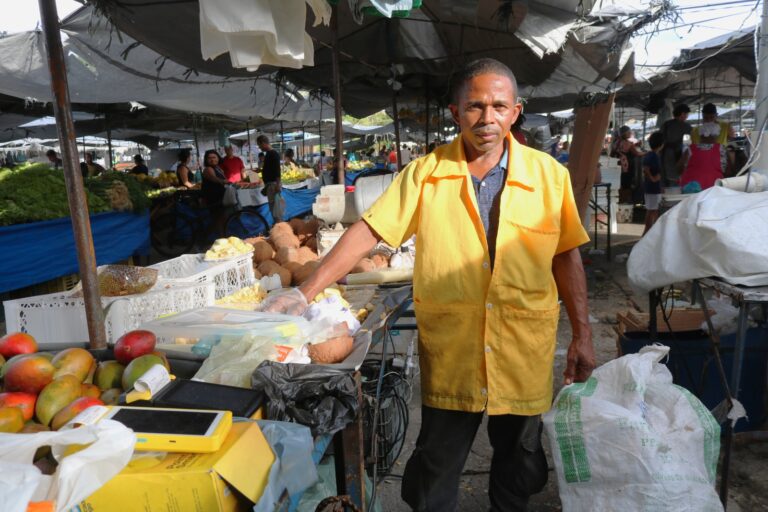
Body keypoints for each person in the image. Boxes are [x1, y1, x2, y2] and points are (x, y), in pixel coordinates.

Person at [262, 58, 594, 512]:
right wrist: (305, 290)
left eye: (499, 106)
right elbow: (369, 230)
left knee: (518, 465)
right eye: (475, 106)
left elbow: (566, 254)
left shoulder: (549, 176)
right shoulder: (426, 172)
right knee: (435, 470)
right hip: (454, 351)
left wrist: (583, 334)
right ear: (456, 114)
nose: (487, 118)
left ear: (516, 111)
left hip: (523, 347)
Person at [679, 122, 725, 192]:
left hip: (691, 188)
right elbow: (724, 168)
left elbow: (680, 167)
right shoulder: (720, 148)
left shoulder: (689, 148)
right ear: (714, 136)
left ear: (701, 135)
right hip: (714, 187)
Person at [201, 149, 231, 237]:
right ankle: (220, 237)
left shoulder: (218, 168)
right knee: (218, 220)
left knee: (220, 219)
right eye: (209, 158)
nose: (212, 159)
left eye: (214, 157)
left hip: (220, 197)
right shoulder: (208, 169)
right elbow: (214, 179)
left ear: (218, 158)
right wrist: (225, 181)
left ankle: (219, 236)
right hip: (213, 198)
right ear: (206, 160)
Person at [660, 104, 692, 186]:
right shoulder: (687, 127)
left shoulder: (666, 124)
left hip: (665, 152)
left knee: (666, 175)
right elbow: (687, 143)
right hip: (679, 154)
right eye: (686, 114)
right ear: (682, 114)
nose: (687, 116)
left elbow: (660, 139)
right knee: (677, 177)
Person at [256, 135, 283, 223]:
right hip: (271, 185)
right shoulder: (268, 154)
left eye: (259, 145)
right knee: (274, 210)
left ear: (263, 143)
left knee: (276, 211)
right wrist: (261, 170)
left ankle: (280, 229)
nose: (259, 147)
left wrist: (278, 184)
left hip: (273, 185)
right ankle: (278, 227)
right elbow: (270, 169)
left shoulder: (273, 154)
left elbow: (277, 170)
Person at [642, 131, 664, 235]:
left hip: (651, 187)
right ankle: (649, 232)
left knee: (651, 210)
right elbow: (646, 169)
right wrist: (653, 178)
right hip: (653, 187)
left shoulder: (651, 155)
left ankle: (648, 232)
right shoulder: (653, 156)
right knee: (653, 210)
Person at [616, 126, 645, 203]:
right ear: (625, 133)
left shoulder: (618, 142)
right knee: (627, 184)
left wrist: (635, 145)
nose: (630, 133)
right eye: (629, 132)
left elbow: (624, 149)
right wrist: (647, 153)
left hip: (622, 165)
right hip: (628, 166)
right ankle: (626, 201)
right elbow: (637, 153)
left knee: (622, 184)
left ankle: (621, 200)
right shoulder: (628, 143)